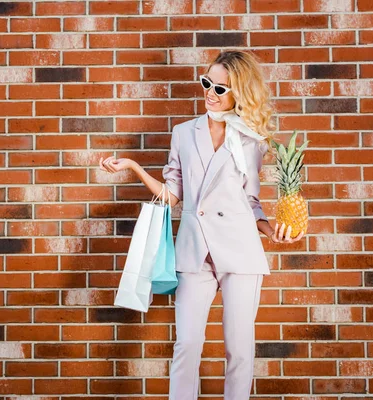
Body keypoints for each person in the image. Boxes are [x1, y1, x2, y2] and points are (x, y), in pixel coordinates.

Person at [99, 50, 304, 400]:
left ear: (239, 92)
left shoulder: (251, 140)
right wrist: (133, 167)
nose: (209, 91)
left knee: (239, 350)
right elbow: (173, 195)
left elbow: (251, 202)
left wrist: (274, 231)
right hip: (195, 249)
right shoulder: (183, 132)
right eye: (206, 82)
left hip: (240, 250)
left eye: (220, 88)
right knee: (187, 344)